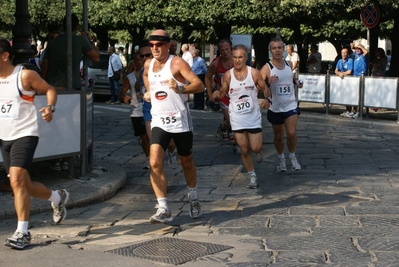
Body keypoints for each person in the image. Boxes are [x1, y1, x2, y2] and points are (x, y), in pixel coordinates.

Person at [0, 38, 69, 250]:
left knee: (18, 182)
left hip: (25, 134)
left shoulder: (24, 75)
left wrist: (50, 107)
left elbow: (50, 90)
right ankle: (57, 197)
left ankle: (22, 232)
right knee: (24, 185)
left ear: (4, 56)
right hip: (5, 137)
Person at [143, 29, 204, 223]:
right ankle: (163, 208)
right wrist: (149, 92)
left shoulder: (177, 63)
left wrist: (181, 88)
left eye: (158, 45)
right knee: (154, 162)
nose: (155, 49)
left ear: (168, 45)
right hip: (159, 120)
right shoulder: (148, 64)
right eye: (151, 45)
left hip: (180, 121)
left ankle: (193, 196)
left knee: (185, 162)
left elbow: (199, 85)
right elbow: (146, 76)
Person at [213, 44, 269, 189]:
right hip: (237, 117)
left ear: (245, 58)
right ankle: (252, 176)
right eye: (235, 57)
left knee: (256, 148)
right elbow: (223, 91)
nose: (237, 60)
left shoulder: (254, 73)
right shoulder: (228, 75)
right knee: (244, 149)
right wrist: (217, 93)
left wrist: (267, 99)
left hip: (253, 116)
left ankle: (257, 152)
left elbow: (264, 88)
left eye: (240, 57)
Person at [260, 38, 304, 172]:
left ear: (283, 49)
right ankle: (281, 159)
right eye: (274, 48)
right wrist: (268, 82)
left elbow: (291, 77)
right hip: (276, 107)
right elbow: (258, 86)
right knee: (278, 136)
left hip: (290, 105)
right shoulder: (267, 68)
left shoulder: (289, 63)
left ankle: (292, 156)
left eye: (280, 47)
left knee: (291, 133)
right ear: (270, 50)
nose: (277, 50)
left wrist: (297, 82)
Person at [138, 40, 178, 169]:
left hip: (167, 109)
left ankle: (172, 152)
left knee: (171, 143)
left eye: (147, 55)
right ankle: (157, 169)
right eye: (142, 56)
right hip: (149, 109)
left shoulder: (170, 67)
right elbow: (140, 85)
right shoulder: (143, 71)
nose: (145, 58)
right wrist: (142, 92)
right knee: (154, 143)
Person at [41, 14, 99, 91]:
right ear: (77, 27)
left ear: (63, 25)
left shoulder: (52, 42)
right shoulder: (80, 40)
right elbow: (96, 58)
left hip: (52, 85)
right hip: (72, 86)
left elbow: (45, 66)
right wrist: (91, 40)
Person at [120, 51, 150, 169]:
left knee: (151, 137)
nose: (139, 62)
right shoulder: (130, 77)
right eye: (136, 60)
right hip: (136, 111)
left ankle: (154, 157)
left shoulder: (151, 74)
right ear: (133, 62)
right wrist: (126, 97)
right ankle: (149, 159)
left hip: (150, 108)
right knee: (144, 137)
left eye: (141, 59)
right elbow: (121, 93)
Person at [205, 39, 235, 142]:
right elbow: (207, 77)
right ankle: (223, 129)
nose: (225, 52)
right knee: (230, 119)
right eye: (222, 50)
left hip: (236, 94)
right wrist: (210, 94)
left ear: (231, 49)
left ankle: (226, 129)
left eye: (227, 49)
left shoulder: (237, 61)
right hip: (222, 95)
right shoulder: (216, 64)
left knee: (234, 118)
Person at [346, 43, 368, 119]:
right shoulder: (355, 55)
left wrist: (360, 46)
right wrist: (353, 46)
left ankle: (359, 111)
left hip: (361, 77)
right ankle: (354, 110)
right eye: (357, 49)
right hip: (354, 77)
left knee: (360, 95)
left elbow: (366, 52)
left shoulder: (363, 56)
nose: (357, 50)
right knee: (354, 95)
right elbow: (352, 48)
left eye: (359, 49)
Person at [334, 47, 354, 117]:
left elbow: (349, 71)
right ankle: (347, 109)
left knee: (349, 95)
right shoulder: (339, 61)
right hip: (342, 81)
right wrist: (339, 73)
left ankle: (351, 110)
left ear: (347, 54)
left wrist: (342, 74)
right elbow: (336, 70)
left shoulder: (350, 60)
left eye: (345, 53)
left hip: (349, 81)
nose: (344, 54)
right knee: (345, 95)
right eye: (342, 53)